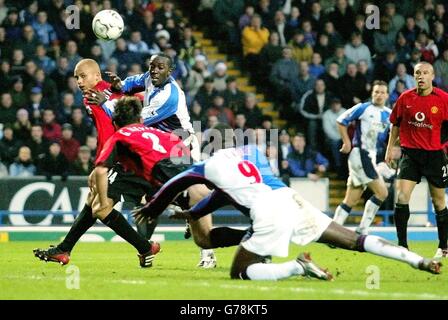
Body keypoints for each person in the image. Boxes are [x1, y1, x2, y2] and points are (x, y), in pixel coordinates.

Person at [133, 127, 441, 281]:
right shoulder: (251, 152)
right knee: (353, 240)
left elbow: (175, 184)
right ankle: (417, 261)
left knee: (240, 272)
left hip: (267, 213)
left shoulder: (201, 168)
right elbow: (221, 195)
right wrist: (193, 212)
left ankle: (297, 266)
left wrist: (152, 209)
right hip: (291, 200)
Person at [34, 59, 160, 268]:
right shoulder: (111, 91)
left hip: (125, 158)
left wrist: (101, 164)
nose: (79, 81)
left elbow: (107, 132)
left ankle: (145, 246)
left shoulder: (94, 97)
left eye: (83, 76)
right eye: (76, 77)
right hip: (135, 152)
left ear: (96, 76)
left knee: (100, 208)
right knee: (93, 201)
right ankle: (64, 249)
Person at [106, 53, 217, 268]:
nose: (154, 71)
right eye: (152, 66)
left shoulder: (170, 95)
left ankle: (208, 253)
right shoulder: (149, 78)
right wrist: (120, 85)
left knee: (193, 197)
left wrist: (107, 104)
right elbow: (132, 83)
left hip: (181, 148)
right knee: (149, 201)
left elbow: (139, 119)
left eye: (160, 67)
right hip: (159, 150)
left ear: (170, 70)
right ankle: (146, 249)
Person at [385, 62, 448, 259]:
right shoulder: (405, 98)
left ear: (432, 76)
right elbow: (395, 123)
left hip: (435, 155)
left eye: (425, 73)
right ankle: (402, 245)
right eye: (417, 73)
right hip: (410, 154)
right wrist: (389, 149)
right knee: (402, 198)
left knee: (439, 201)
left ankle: (443, 246)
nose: (421, 76)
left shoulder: (444, 99)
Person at [332, 81, 391, 235]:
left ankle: (332, 233)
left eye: (382, 92)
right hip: (360, 154)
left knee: (350, 200)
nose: (379, 95)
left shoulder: (389, 114)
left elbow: (393, 136)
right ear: (372, 93)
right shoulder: (363, 108)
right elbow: (341, 120)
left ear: (387, 95)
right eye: (376, 92)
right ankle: (362, 230)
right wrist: (347, 142)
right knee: (382, 193)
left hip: (370, 157)